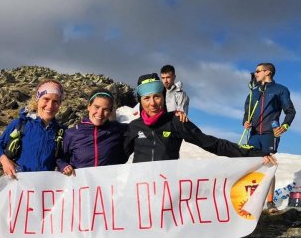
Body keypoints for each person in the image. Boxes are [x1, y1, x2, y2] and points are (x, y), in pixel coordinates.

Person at [124, 73, 276, 165]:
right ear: (140, 101)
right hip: (139, 191)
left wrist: (254, 153)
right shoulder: (134, 127)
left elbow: (212, 144)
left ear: (163, 97)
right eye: (146, 98)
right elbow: (117, 157)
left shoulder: (176, 121)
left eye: (157, 96)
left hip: (167, 190)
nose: (152, 103)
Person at [243, 63, 296, 213]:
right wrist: (245, 122)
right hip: (253, 134)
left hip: (269, 134)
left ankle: (270, 202)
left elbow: (290, 111)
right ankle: (250, 202)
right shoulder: (253, 91)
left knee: (268, 166)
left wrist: (284, 126)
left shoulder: (280, 90)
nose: (255, 74)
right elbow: (247, 111)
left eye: (257, 71)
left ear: (267, 72)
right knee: (252, 166)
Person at [0, 79, 66, 179]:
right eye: (46, 99)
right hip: (20, 183)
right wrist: (5, 162)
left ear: (60, 104)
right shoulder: (20, 124)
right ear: (37, 99)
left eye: (55, 101)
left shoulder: (61, 131)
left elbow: (63, 158)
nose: (50, 106)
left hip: (45, 186)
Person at [57, 88, 128, 176]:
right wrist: (64, 166)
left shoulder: (117, 130)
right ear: (89, 106)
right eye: (97, 107)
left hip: (108, 186)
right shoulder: (71, 133)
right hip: (81, 186)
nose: (100, 113)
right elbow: (60, 158)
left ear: (110, 112)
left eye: (106, 109)